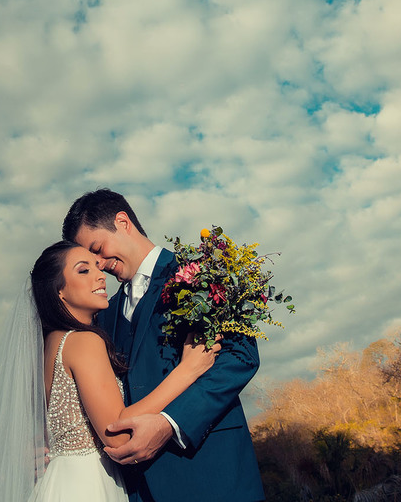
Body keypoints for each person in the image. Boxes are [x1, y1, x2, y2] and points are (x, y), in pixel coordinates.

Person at [0, 240, 221, 502]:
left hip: (61, 479)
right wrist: (187, 371)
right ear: (58, 290)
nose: (100, 276)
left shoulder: (50, 345)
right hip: (87, 484)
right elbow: (116, 435)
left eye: (97, 267)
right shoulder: (84, 341)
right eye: (84, 270)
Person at [63, 189, 265, 502]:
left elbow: (240, 356)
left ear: (123, 221)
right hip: (136, 488)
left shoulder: (201, 272)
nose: (99, 265)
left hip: (212, 475)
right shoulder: (104, 314)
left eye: (98, 249)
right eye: (91, 260)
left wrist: (170, 424)